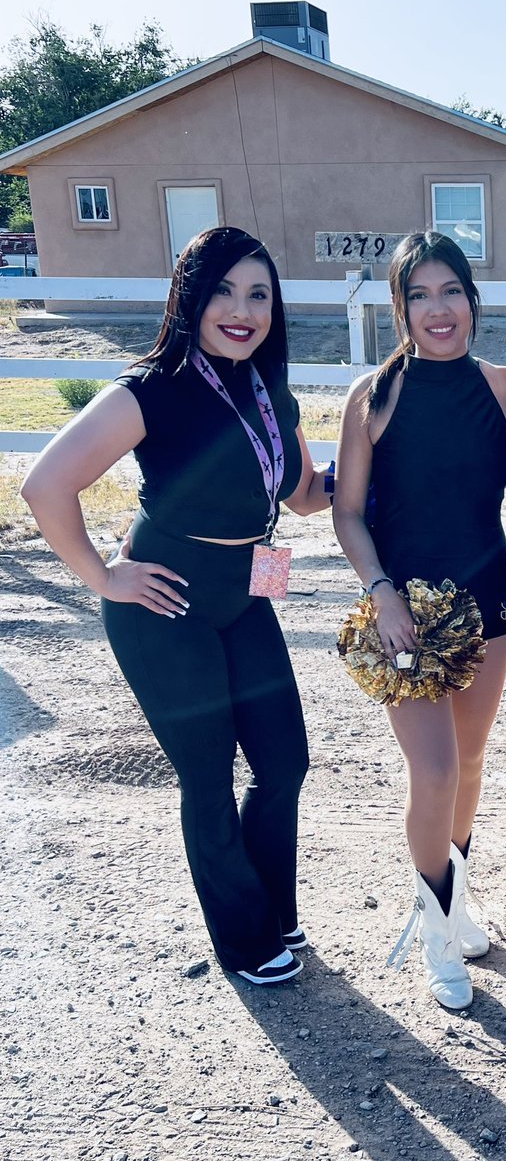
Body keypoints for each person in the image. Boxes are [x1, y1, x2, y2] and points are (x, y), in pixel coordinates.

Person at [21, 226, 332, 984]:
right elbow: (44, 484)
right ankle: (244, 939)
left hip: (246, 595)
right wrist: (103, 576)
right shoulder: (149, 388)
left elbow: (302, 498)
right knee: (208, 775)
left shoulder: (269, 388)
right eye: (223, 290)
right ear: (190, 297)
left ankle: (271, 908)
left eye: (258, 294)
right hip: (163, 607)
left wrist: (382, 453)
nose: (242, 309)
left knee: (285, 762)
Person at [332, 232, 506, 1009]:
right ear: (399, 308)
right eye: (419, 295)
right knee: (436, 771)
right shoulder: (372, 397)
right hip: (403, 616)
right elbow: (347, 514)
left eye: (451, 291)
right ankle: (438, 931)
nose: (438, 309)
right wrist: (381, 592)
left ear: (472, 300)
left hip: (491, 603)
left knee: (470, 766)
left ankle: (449, 895)